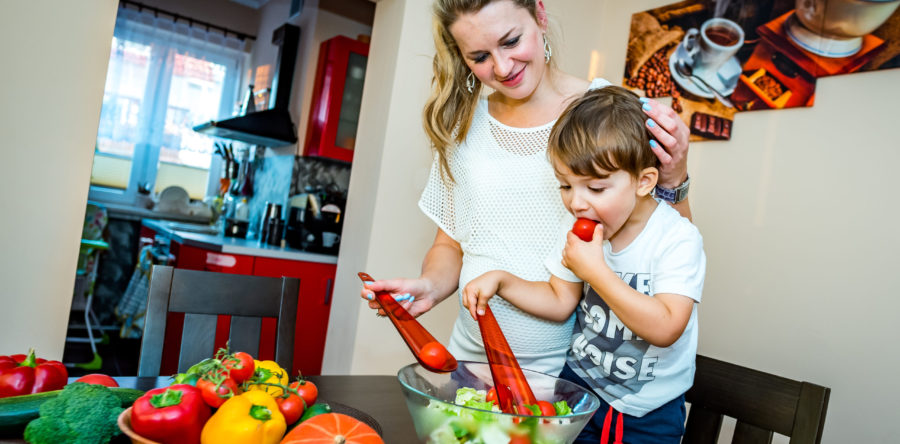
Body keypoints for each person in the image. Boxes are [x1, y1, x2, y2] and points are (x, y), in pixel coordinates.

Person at [361, 0, 693, 375]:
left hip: (565, 374)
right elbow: (450, 244)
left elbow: (666, 242)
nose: (502, 68)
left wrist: (674, 177)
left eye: (511, 41)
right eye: (480, 56)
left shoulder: (607, 115)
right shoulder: (463, 126)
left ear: (539, 14)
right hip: (466, 360)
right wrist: (430, 286)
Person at [462, 85, 706, 443]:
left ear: (644, 182)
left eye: (595, 188)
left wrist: (597, 272)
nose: (577, 203)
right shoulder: (580, 228)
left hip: (648, 412)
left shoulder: (677, 239)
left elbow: (667, 327)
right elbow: (561, 300)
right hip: (580, 391)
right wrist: (503, 281)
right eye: (565, 186)